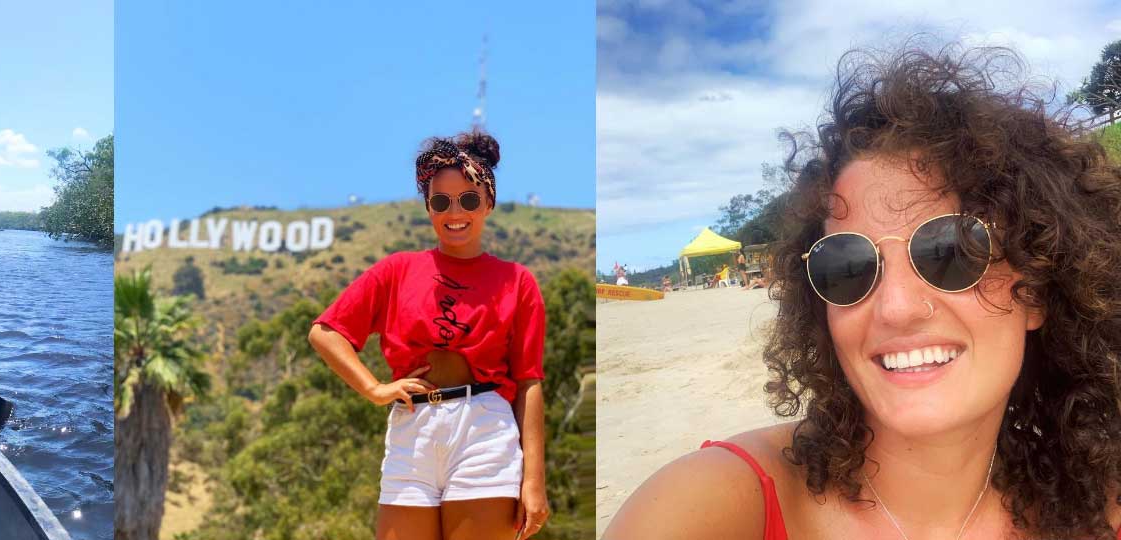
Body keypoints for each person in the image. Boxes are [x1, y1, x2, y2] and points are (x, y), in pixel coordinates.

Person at [607, 44, 1121, 539]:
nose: (896, 308)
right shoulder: (717, 503)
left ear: (1035, 288)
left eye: (952, 250)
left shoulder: (1098, 512)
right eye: (847, 266)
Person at [309, 131, 550, 540]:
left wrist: (534, 481)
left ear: (488, 202)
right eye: (441, 202)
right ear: (429, 208)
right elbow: (325, 333)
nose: (455, 211)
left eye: (469, 199)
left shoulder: (517, 281)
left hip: (483, 431)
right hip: (412, 430)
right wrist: (373, 389)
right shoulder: (397, 270)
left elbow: (529, 383)